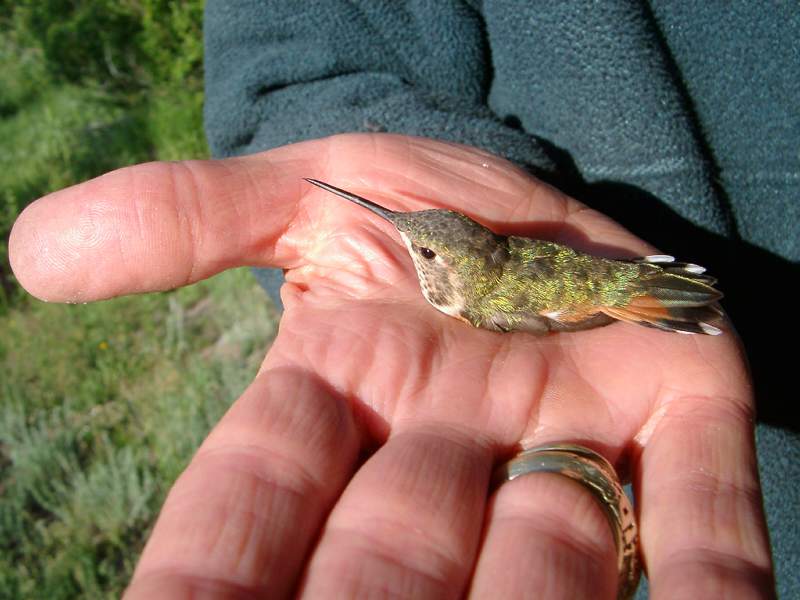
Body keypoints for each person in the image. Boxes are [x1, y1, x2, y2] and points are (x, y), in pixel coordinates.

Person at [12, 1, 798, 597]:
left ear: (451, 269)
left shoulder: (478, 305)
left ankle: (667, 296)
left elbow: (547, 310)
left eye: (420, 247)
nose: (406, 243)